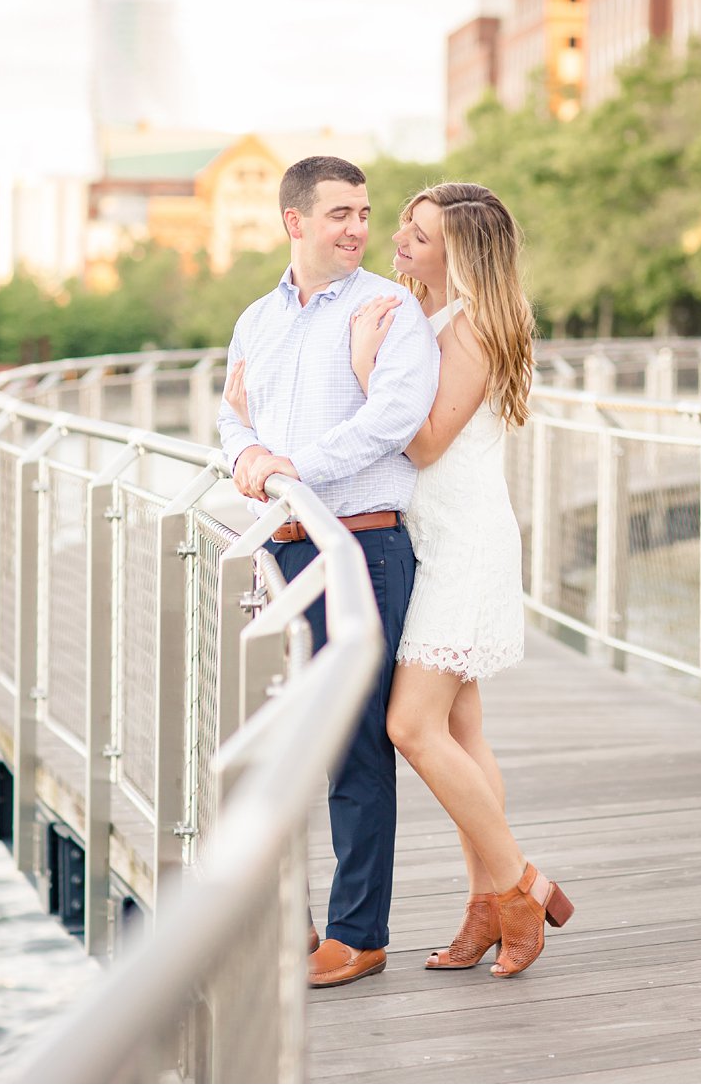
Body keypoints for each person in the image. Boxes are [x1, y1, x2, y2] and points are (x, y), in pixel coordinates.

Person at [217, 156, 439, 988]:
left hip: (362, 547)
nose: (356, 227)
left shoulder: (389, 309)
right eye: (339, 212)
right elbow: (228, 413)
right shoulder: (257, 320)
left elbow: (394, 419)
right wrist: (250, 459)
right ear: (295, 222)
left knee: (353, 743)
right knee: (280, 739)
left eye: (364, 212)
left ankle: (359, 931)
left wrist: (288, 465)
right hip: (278, 549)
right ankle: (293, 920)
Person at [345, 182, 573, 977]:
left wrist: (371, 367)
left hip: (464, 545)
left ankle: (521, 886)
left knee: (411, 726)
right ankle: (484, 909)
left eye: (419, 233)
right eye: (403, 226)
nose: (399, 240)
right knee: (464, 731)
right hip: (433, 541)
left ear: (460, 251)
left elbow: (430, 440)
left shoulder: (473, 325)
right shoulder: (429, 314)